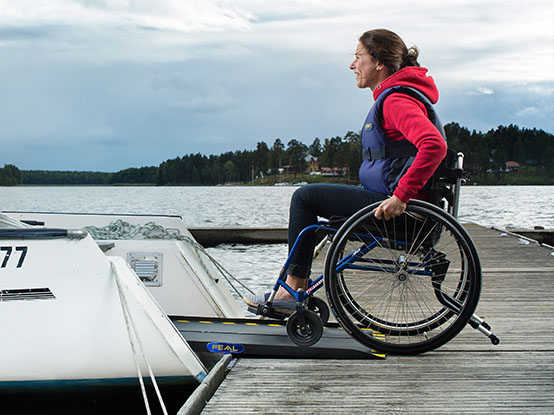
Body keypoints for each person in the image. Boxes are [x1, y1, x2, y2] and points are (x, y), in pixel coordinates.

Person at [243, 29, 447, 314]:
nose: (352, 65)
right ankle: (292, 288)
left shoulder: (396, 100)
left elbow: (434, 145)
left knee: (304, 197)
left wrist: (401, 196)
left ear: (378, 62)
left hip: (402, 214)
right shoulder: (396, 96)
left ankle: (292, 289)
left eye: (358, 57)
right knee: (312, 202)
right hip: (397, 206)